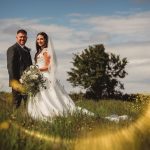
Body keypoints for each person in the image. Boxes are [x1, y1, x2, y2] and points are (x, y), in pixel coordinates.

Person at [28, 32, 94, 120]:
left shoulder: (46, 51)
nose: (39, 41)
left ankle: (52, 112)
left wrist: (36, 70)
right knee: (41, 96)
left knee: (49, 96)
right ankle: (41, 113)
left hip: (45, 77)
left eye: (41, 39)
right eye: (38, 39)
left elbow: (48, 67)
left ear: (45, 40)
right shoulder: (38, 52)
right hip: (39, 77)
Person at [7, 29, 32, 108]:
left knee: (28, 105)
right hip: (17, 83)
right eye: (20, 37)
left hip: (28, 83)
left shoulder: (27, 50)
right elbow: (10, 67)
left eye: (24, 37)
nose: (22, 39)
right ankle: (14, 120)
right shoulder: (12, 49)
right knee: (16, 105)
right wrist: (15, 83)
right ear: (16, 37)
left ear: (26, 38)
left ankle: (26, 120)